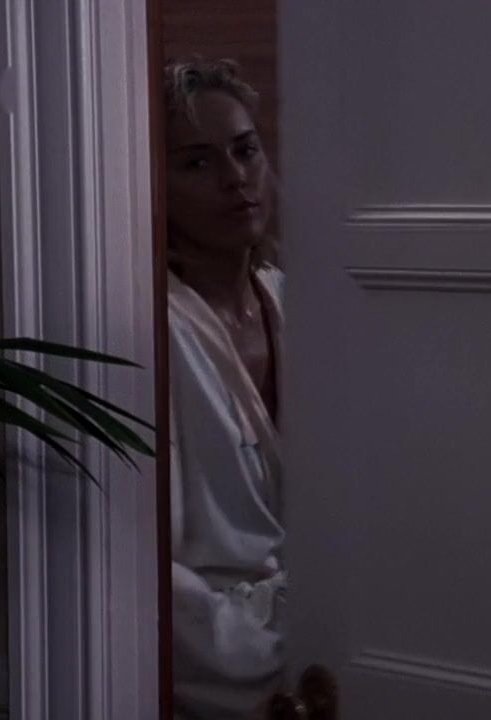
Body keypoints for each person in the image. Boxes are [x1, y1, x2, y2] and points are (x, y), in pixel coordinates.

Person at [164, 57, 286, 719]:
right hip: (217, 657)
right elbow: (148, 568)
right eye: (197, 162)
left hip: (328, 626)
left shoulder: (296, 302)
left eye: (245, 150)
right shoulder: (155, 331)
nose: (236, 178)